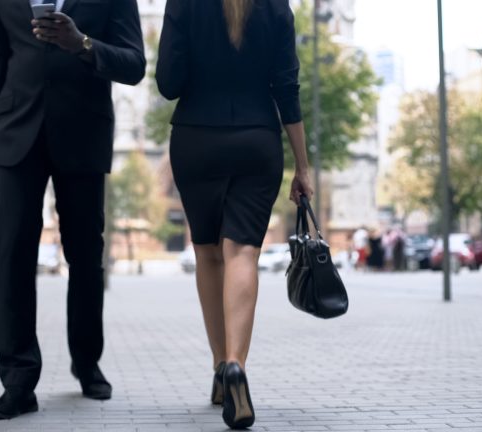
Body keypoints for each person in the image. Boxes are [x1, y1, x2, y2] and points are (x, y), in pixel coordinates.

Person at [0, 0, 145, 420]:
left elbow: (134, 64)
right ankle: (18, 381)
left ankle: (86, 362)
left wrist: (80, 43)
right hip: (15, 134)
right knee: (12, 258)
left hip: (84, 134)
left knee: (84, 258)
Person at [156, 0, 313, 428]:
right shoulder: (276, 6)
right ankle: (236, 364)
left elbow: (168, 84)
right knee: (243, 253)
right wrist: (302, 165)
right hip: (256, 139)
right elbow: (287, 88)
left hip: (195, 139)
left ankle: (219, 370)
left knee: (208, 253)